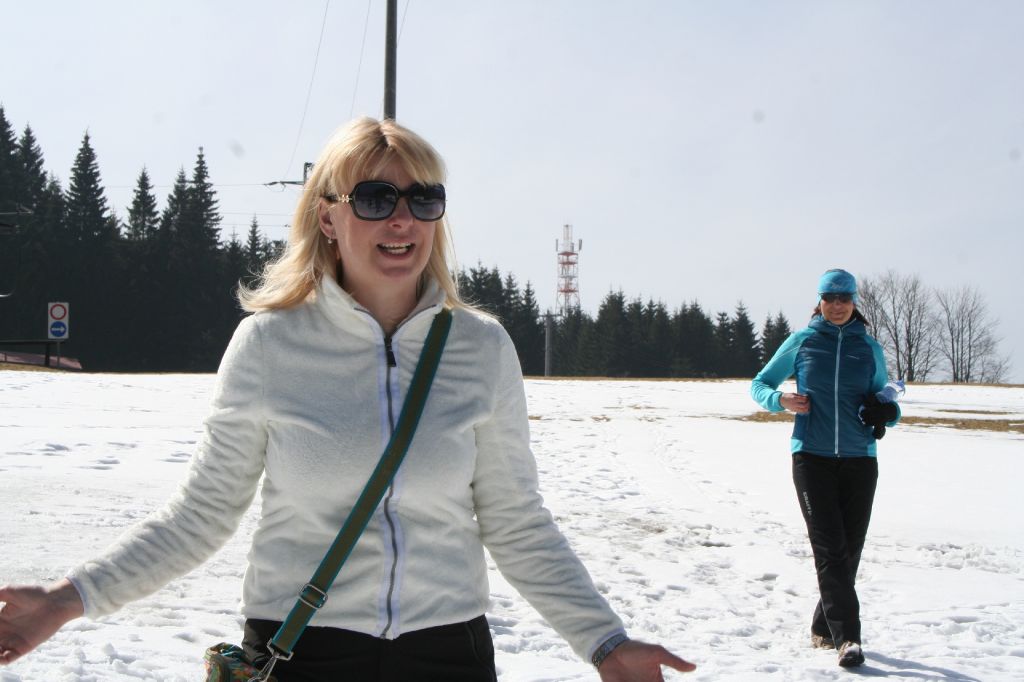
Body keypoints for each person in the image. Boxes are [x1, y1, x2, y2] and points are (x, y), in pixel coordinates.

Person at [0, 117, 695, 681]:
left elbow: (516, 521)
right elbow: (201, 515)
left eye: (423, 199)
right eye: (375, 199)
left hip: (447, 655)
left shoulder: (481, 348)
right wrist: (67, 599)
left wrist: (604, 641)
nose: (402, 219)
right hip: (302, 653)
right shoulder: (269, 345)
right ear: (328, 217)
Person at [750, 269, 899, 669]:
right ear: (819, 301)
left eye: (844, 299)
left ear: (854, 302)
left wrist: (887, 413)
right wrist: (780, 401)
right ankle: (848, 638)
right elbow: (760, 384)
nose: (836, 306)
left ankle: (823, 626)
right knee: (830, 548)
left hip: (860, 458)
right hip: (811, 457)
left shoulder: (868, 347)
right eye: (829, 299)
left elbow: (886, 398)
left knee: (850, 549)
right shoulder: (802, 341)